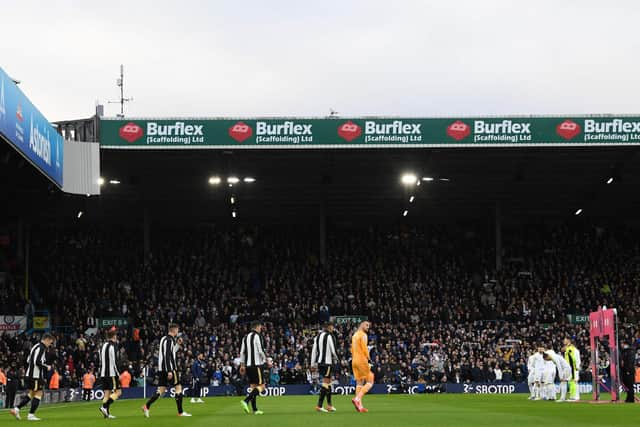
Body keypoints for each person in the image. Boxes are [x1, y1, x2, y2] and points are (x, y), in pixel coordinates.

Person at [142, 324, 191, 417]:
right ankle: (180, 412)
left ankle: (146, 406)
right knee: (178, 387)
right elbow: (167, 356)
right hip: (170, 368)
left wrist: (178, 344)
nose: (178, 332)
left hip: (161, 369)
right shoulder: (169, 340)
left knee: (161, 390)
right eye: (177, 330)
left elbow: (171, 352)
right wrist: (169, 370)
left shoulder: (164, 338)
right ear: (175, 330)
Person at [10, 333, 55, 421]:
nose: (50, 344)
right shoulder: (41, 348)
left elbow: (28, 360)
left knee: (31, 394)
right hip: (35, 376)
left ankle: (16, 409)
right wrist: (47, 366)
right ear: (46, 340)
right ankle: (31, 415)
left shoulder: (35, 346)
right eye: (50, 342)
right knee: (39, 393)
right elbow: (37, 362)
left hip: (31, 375)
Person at [239, 320, 270, 415]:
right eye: (260, 327)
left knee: (253, 387)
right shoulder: (257, 336)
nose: (261, 329)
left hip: (248, 366)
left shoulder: (245, 337)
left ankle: (255, 409)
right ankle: (246, 401)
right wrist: (267, 360)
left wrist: (242, 365)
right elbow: (260, 350)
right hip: (256, 365)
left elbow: (242, 352)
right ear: (257, 327)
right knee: (262, 386)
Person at [311, 322, 338, 413]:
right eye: (332, 327)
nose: (333, 328)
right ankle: (319, 405)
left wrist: (312, 364)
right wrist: (337, 359)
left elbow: (314, 351)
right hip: (327, 363)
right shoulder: (329, 336)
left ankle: (329, 405)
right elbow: (333, 350)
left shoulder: (317, 337)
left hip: (320, 363)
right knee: (326, 383)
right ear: (329, 327)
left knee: (328, 383)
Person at [351, 320, 374, 413]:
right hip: (361, 360)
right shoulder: (363, 335)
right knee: (370, 380)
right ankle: (357, 399)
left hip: (354, 360)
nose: (368, 327)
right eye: (366, 325)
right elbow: (365, 348)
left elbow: (352, 349)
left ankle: (359, 406)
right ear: (361, 325)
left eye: (369, 326)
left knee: (359, 383)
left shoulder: (354, 335)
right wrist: (368, 359)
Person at [98, 329, 121, 419]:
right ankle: (104, 407)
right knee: (118, 392)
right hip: (111, 373)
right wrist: (118, 373)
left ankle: (106, 414)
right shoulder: (112, 346)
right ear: (114, 336)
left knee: (106, 393)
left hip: (103, 373)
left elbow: (101, 359)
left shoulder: (103, 346)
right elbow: (114, 361)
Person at [620, 339, 636, 403]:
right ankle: (629, 398)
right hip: (625, 371)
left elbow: (630, 362)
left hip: (629, 371)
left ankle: (631, 399)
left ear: (626, 344)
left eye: (623, 344)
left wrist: (628, 370)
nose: (621, 345)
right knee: (627, 385)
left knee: (630, 385)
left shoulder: (630, 352)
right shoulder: (625, 351)